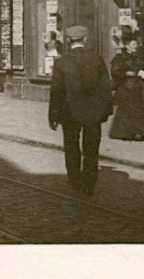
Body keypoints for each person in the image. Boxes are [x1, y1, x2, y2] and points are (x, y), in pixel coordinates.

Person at [47, 25, 112, 196]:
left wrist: (53, 115)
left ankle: (75, 179)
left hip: (69, 111)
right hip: (93, 111)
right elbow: (105, 87)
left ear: (68, 40)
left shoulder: (61, 62)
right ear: (85, 39)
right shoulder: (97, 59)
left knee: (71, 145)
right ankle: (89, 184)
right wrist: (105, 111)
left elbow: (57, 91)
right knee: (91, 148)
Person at [108, 36, 144, 141]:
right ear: (126, 45)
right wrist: (125, 73)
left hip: (139, 86)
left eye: (136, 45)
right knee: (127, 109)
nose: (135, 47)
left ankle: (141, 132)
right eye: (133, 45)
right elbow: (115, 71)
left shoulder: (140, 56)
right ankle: (124, 133)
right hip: (126, 86)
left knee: (140, 109)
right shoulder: (119, 57)